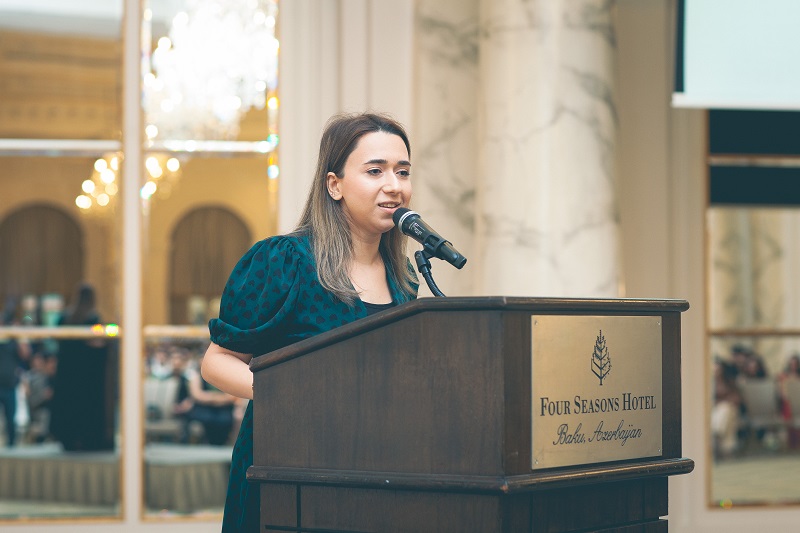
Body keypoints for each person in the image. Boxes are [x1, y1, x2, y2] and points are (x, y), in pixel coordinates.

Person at [201, 111, 418, 532]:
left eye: (403, 171)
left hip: (376, 473)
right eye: (375, 171)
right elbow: (217, 362)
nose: (394, 185)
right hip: (289, 473)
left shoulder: (404, 277)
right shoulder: (285, 261)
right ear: (334, 185)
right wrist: (299, 398)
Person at [50, 282, 113, 451]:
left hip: (66, 373)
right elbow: (105, 335)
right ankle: (86, 439)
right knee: (85, 407)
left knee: (68, 405)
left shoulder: (64, 317)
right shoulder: (92, 318)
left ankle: (68, 438)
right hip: (86, 375)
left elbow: (56, 339)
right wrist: (115, 327)